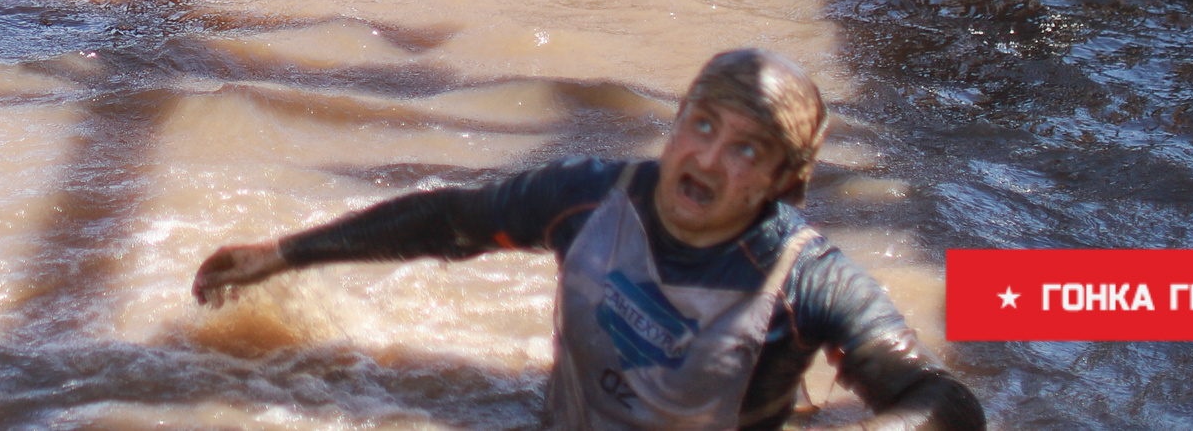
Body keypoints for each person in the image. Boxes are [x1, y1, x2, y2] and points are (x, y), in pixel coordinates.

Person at [193, 48, 985, 431]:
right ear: (674, 123)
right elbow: (452, 221)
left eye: (745, 148)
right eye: (701, 125)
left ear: (781, 181)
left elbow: (939, 398)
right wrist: (284, 253)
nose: (706, 158)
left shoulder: (806, 278)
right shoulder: (588, 197)